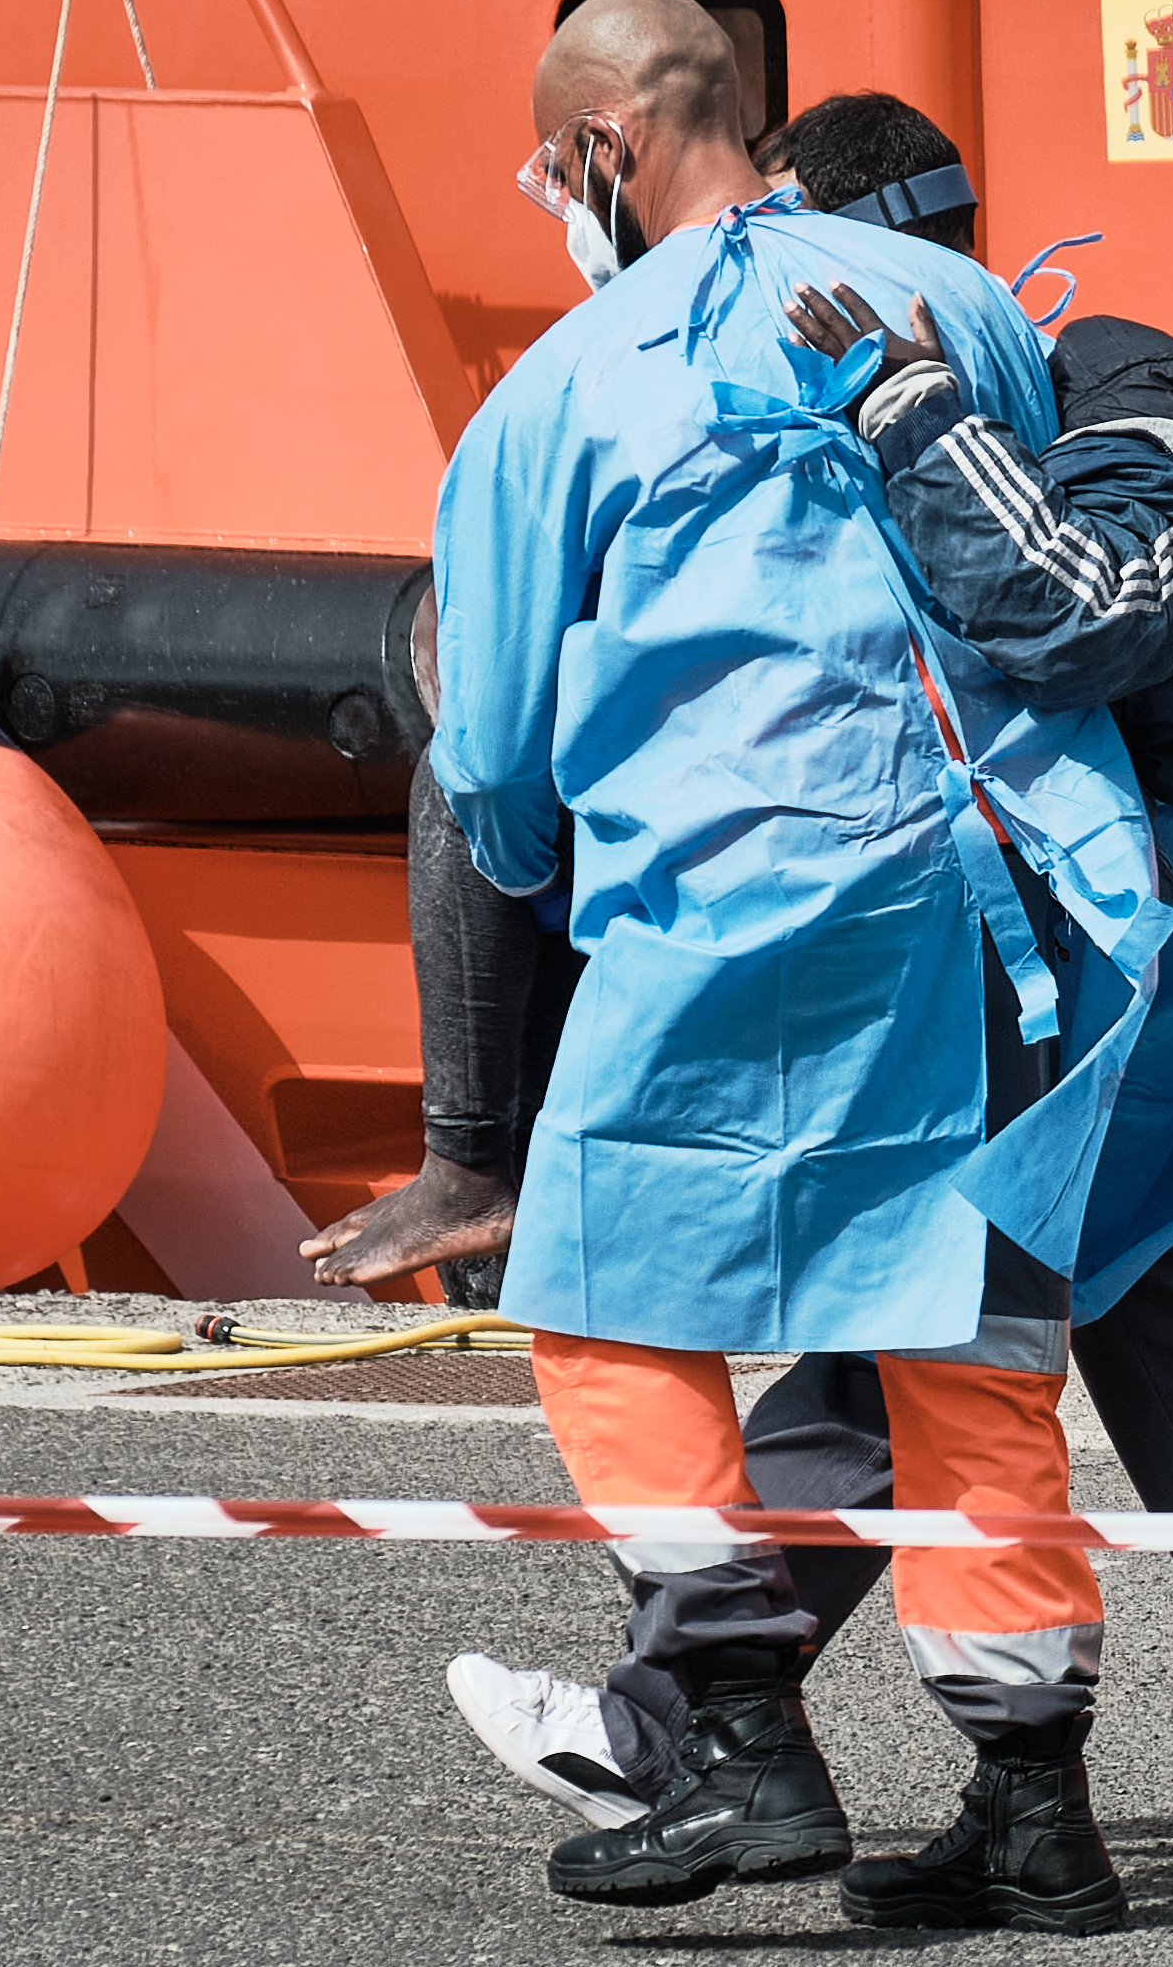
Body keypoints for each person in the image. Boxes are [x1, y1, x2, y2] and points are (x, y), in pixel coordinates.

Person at [447, 104, 1173, 1882]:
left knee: (904, 1353)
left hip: (1070, 980)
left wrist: (905, 406)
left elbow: (1044, 608)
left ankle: (672, 1728)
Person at [427, 0, 1173, 1935]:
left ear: (599, 149)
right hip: (1006, 902)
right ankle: (1033, 1813)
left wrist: (521, 879)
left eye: (546, 169)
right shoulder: (971, 311)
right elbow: (1012, 572)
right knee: (973, 1347)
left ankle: (744, 1746)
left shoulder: (556, 393)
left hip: (730, 899)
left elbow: (492, 753)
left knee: (594, 1292)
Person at [298, 88, 980, 1301]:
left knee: (479, 782)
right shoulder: (998, 336)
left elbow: (500, 745)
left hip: (746, 854)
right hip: (964, 870)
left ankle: (469, 1164)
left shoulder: (624, 359)